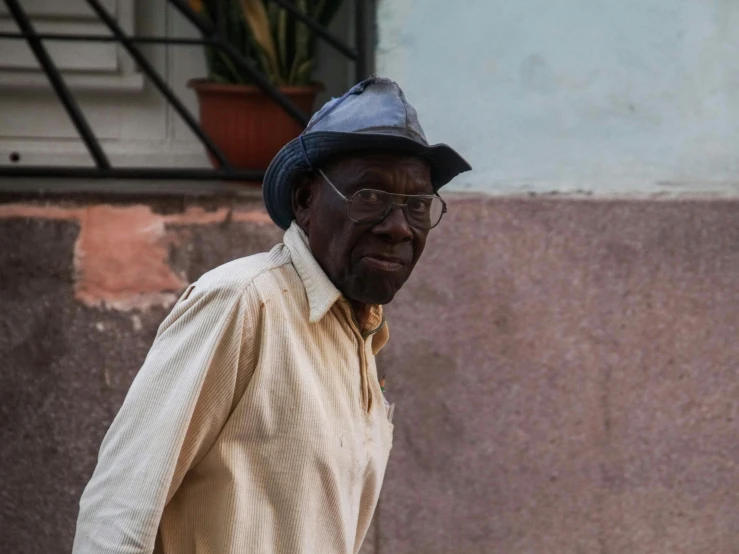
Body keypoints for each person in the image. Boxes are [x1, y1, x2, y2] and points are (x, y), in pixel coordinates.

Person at [72, 76, 471, 554]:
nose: (398, 228)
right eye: (369, 197)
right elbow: (119, 510)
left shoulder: (358, 330)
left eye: (417, 207)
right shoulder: (243, 302)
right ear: (305, 201)